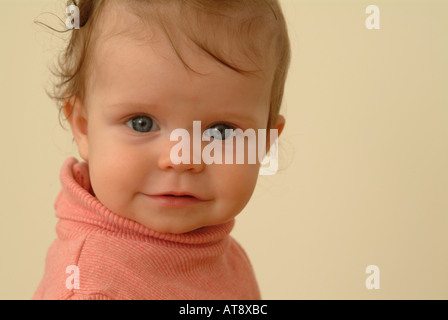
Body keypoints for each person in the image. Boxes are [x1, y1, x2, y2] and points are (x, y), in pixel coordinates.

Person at [33, 0, 290, 300]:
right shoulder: (93, 288)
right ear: (83, 127)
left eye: (220, 131)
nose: (182, 159)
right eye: (142, 123)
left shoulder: (217, 253)